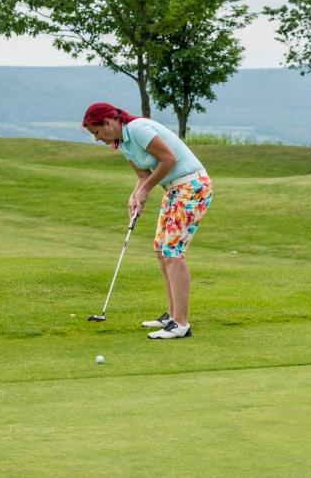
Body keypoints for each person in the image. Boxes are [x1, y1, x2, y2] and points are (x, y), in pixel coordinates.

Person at [82, 102, 213, 339]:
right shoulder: (122, 143)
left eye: (97, 132)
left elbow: (168, 160)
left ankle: (181, 324)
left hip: (192, 186)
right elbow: (143, 175)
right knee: (161, 251)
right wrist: (135, 195)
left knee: (173, 253)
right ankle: (172, 315)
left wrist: (145, 190)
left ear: (108, 122)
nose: (97, 138)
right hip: (173, 190)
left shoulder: (138, 129)